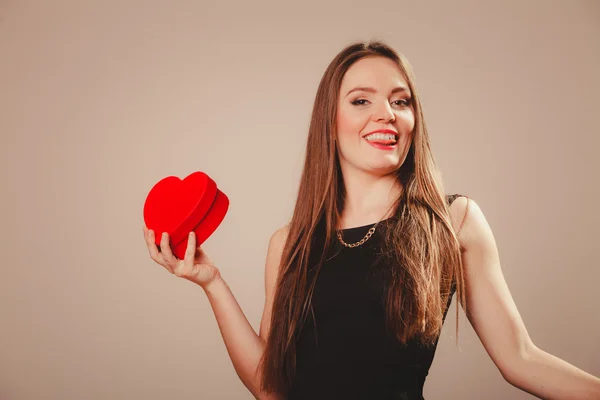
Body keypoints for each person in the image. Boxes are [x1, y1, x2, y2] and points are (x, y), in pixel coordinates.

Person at [142, 40, 600, 400]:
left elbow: (520, 358)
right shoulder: (289, 244)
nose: (386, 114)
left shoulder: (452, 220)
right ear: (331, 119)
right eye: (362, 101)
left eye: (401, 101)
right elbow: (271, 388)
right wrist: (212, 283)